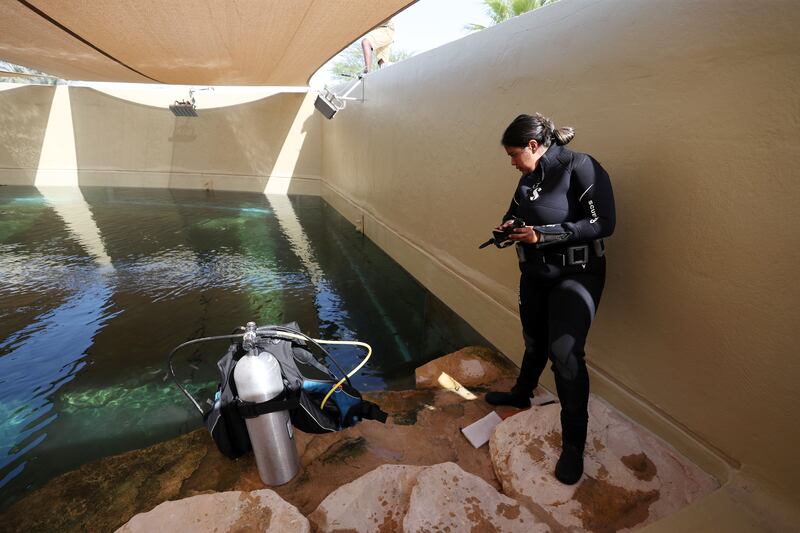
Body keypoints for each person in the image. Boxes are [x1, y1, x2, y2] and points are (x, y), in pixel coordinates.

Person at [485, 113, 616, 485]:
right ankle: (522, 393)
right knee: (533, 340)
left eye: (514, 154)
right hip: (536, 274)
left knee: (565, 355)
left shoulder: (581, 166)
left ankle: (573, 446)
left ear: (532, 146)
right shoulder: (529, 177)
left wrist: (545, 235)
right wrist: (506, 228)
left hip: (577, 274)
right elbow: (515, 212)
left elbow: (603, 223)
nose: (512, 162)